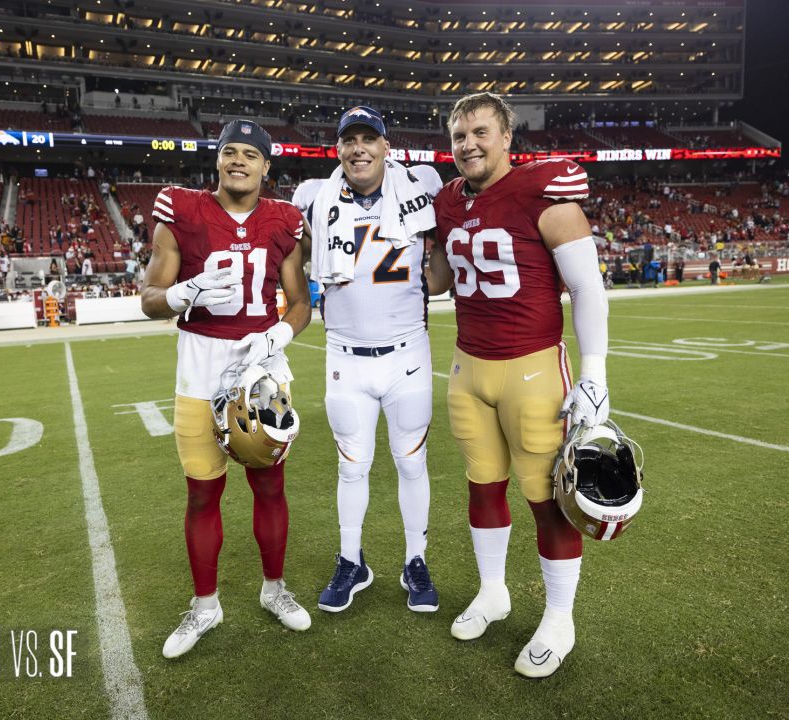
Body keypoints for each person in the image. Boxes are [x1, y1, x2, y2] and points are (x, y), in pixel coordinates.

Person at [425, 92, 612, 679]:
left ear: (508, 137)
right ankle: (493, 592)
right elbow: (436, 278)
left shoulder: (542, 188)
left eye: (480, 132)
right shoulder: (447, 200)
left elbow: (587, 288)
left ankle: (560, 618)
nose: (468, 144)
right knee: (482, 487)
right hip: (467, 367)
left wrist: (595, 372)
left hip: (532, 369)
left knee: (546, 498)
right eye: (459, 135)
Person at [142, 120, 313, 659]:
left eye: (250, 155)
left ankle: (274, 590)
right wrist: (182, 292)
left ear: (267, 166)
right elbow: (149, 297)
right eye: (229, 152)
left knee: (270, 488)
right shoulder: (183, 210)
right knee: (201, 493)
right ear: (218, 160)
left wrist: (280, 332)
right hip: (198, 372)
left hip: (261, 375)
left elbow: (301, 300)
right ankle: (205, 605)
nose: (238, 161)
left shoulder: (285, 219)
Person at [290, 106, 443, 614]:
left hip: (408, 353)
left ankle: (415, 561)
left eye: (368, 139)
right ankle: (351, 560)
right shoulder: (313, 196)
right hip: (345, 357)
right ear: (337, 149)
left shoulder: (420, 185)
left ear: (385, 147)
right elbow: (297, 255)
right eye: (349, 140)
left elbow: (442, 257)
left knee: (411, 462)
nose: (359, 148)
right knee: (351, 469)